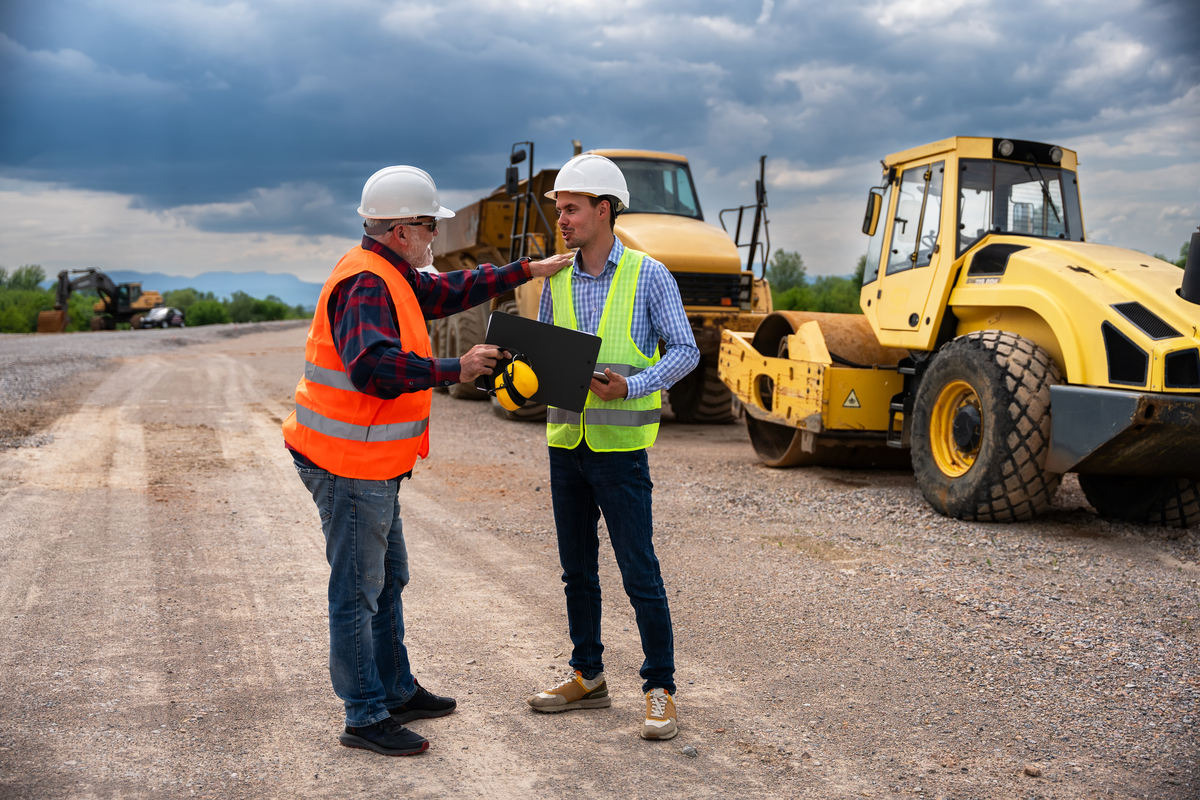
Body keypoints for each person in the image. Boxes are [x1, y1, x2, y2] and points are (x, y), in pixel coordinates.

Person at [282, 165, 572, 756]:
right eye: (427, 227)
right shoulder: (366, 284)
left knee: (389, 578)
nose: (434, 238)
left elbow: (448, 292)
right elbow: (373, 367)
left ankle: (393, 688)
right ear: (399, 230)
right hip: (348, 463)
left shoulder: (394, 273)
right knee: (359, 590)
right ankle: (364, 715)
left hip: (371, 461)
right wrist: (452, 370)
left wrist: (525, 270)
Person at [525, 154, 699, 740]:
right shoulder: (557, 278)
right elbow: (548, 356)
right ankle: (588, 674)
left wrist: (633, 383)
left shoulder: (648, 275)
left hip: (620, 449)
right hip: (565, 441)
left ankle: (660, 688)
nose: (563, 220)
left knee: (638, 570)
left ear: (604, 210)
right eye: (559, 210)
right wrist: (518, 367)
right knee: (577, 571)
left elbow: (685, 350)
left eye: (571, 209)